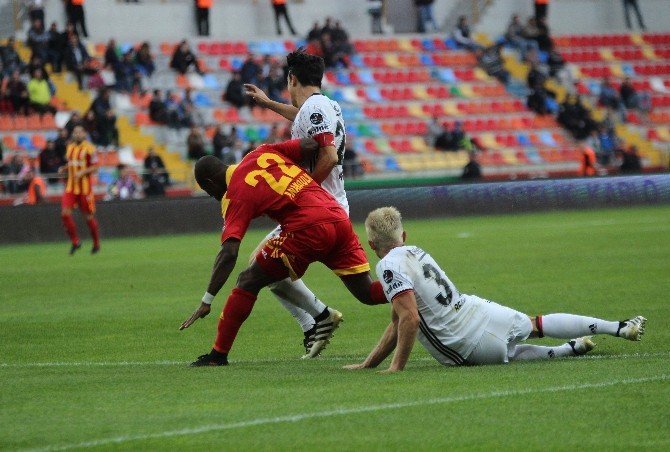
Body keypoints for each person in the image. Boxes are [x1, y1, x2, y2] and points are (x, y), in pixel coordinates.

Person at [344, 207, 647, 373]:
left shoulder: (387, 266)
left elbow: (409, 319)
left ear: (372, 245)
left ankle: (566, 350)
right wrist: (370, 363)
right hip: (475, 309)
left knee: (512, 355)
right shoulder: (416, 250)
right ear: (404, 235)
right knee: (534, 324)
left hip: (463, 342)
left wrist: (396, 367)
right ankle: (618, 327)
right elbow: (398, 320)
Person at [179, 137, 388, 366]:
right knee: (367, 293)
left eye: (209, 191)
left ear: (210, 182)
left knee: (248, 280)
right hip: (336, 215)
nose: (213, 196)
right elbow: (310, 145)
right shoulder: (262, 152)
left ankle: (217, 355)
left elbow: (229, 252)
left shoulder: (234, 194)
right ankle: (410, 285)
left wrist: (207, 300)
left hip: (306, 228)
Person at [244, 50, 352, 356]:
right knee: (264, 268)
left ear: (292, 78)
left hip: (319, 210)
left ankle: (317, 318)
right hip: (330, 206)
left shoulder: (316, 107)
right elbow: (302, 117)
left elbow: (328, 157)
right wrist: (267, 104)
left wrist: (303, 190)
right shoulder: (324, 105)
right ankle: (314, 322)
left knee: (258, 267)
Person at [58, 125, 100, 254]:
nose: (77, 134)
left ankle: (96, 243)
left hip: (84, 189)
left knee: (88, 217)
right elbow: (72, 163)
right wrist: (64, 168)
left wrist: (82, 173)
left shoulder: (90, 149)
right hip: (71, 187)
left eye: (79, 132)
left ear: (84, 134)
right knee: (64, 214)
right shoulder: (70, 147)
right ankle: (76, 241)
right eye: (75, 132)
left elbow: (95, 167)